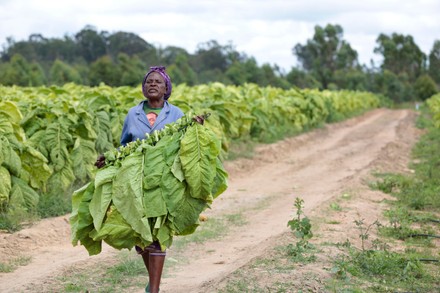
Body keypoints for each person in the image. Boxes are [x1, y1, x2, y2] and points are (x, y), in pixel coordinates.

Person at [95, 66, 193, 293]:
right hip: (135, 181)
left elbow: (185, 145)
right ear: (143, 87)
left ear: (166, 88)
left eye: (158, 82)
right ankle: (153, 281)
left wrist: (195, 125)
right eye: (149, 81)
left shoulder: (176, 114)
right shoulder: (133, 114)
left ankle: (154, 290)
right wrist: (109, 160)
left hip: (164, 182)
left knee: (157, 235)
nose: (153, 85)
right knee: (140, 236)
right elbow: (124, 146)